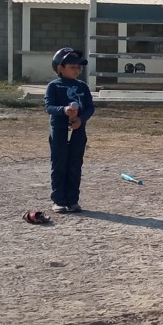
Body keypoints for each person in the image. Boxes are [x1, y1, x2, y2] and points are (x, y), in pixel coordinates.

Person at [44, 47, 95, 213]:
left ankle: (73, 200)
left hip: (78, 131)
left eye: (78, 67)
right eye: (72, 67)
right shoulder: (54, 86)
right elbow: (49, 107)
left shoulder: (82, 86)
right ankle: (59, 200)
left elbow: (90, 108)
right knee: (59, 164)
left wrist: (81, 119)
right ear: (60, 68)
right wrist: (64, 110)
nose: (77, 70)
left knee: (75, 164)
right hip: (59, 130)